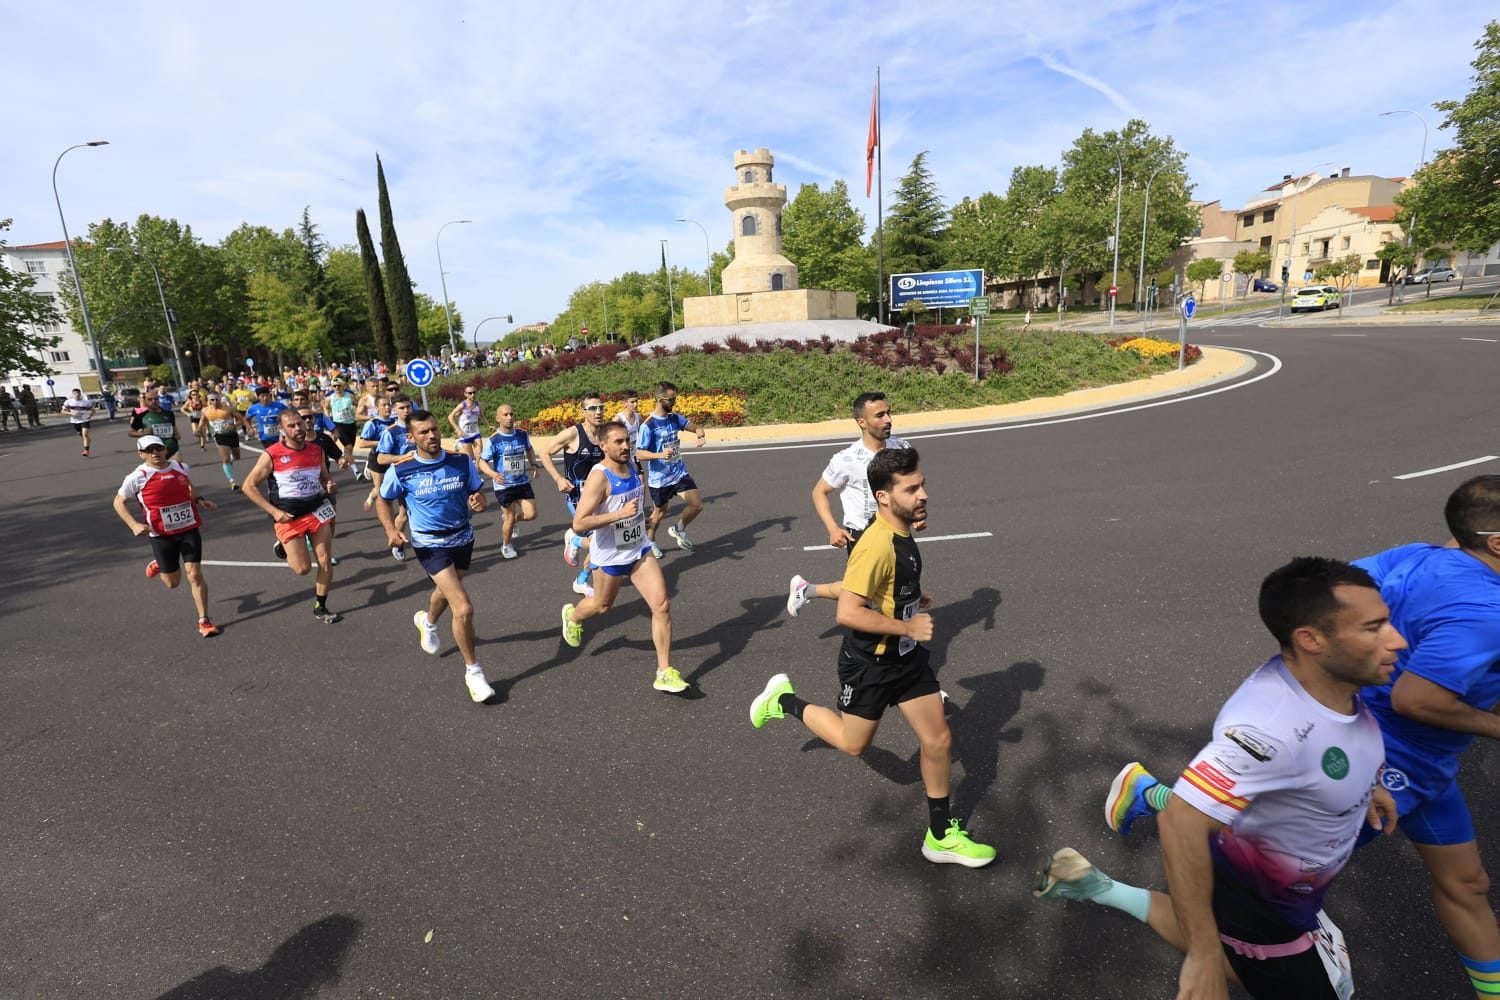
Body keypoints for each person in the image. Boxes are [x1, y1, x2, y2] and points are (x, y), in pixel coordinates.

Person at [1038, 556, 1403, 1000]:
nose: (1397, 640)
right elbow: (1182, 822)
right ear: (1311, 640)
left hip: (1291, 886)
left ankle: (1097, 885)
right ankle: (1112, 886)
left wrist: (1364, 786)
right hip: (1265, 909)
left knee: (1259, 970)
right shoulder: (1271, 730)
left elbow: (1330, 745)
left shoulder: (1329, 681)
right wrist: (1204, 957)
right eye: (1374, 628)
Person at [748, 446, 995, 868]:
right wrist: (908, 627)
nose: (923, 494)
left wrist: (913, 595)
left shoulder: (902, 531)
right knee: (853, 743)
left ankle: (940, 836)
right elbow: (848, 612)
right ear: (884, 496)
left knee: (938, 739)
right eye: (911, 489)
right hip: (870, 665)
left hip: (906, 660)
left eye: (922, 485)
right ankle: (784, 699)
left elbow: (879, 584)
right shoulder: (875, 545)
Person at [560, 421, 688, 695]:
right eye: (618, 442)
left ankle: (664, 672)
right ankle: (573, 617)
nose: (625, 446)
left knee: (662, 605)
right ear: (603, 446)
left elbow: (632, 505)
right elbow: (580, 523)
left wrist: (642, 518)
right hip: (610, 556)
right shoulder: (600, 477)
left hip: (638, 549)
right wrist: (619, 515)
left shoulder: (631, 466)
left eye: (627, 441)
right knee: (601, 606)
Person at [376, 409, 495, 702]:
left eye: (434, 429)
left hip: (463, 537)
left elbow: (478, 494)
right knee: (463, 607)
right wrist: (391, 529)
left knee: (445, 591)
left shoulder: (460, 461)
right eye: (424, 432)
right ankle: (474, 672)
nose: (432, 435)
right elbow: (383, 499)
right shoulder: (402, 470)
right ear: (411, 437)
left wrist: (479, 502)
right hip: (429, 543)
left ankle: (427, 622)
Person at [786, 391, 912, 617]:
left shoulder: (902, 447)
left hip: (896, 531)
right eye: (880, 415)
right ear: (862, 422)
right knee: (867, 595)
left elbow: (909, 485)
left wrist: (916, 514)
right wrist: (833, 528)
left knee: (887, 588)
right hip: (864, 535)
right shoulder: (847, 459)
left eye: (889, 413)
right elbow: (819, 492)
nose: (888, 419)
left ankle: (806, 590)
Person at [112, 434, 222, 637]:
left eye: (158, 448)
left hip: (188, 528)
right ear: (141, 454)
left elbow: (188, 485)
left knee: (194, 574)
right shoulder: (137, 476)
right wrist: (134, 525)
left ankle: (204, 620)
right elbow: (118, 502)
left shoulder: (180, 467)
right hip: (161, 534)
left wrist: (200, 500)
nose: (155, 453)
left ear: (165, 449)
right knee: (172, 583)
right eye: (149, 450)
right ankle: (160, 564)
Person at [241, 410, 342, 624]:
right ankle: (283, 545)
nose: (298, 428)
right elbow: (248, 486)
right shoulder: (272, 454)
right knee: (302, 569)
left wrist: (329, 485)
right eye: (292, 426)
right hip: (288, 517)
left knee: (325, 560)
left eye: (300, 424)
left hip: (316, 511)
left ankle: (321, 606)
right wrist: (274, 512)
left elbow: (325, 478)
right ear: (282, 429)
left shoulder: (316, 450)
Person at [540, 391, 607, 596]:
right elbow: (544, 452)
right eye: (592, 408)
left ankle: (581, 578)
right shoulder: (572, 434)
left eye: (600, 407)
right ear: (583, 412)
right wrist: (558, 479)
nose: (598, 412)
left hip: (600, 494)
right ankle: (575, 541)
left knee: (603, 540)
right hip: (577, 494)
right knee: (598, 541)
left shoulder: (605, 434)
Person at [636, 381, 706, 558]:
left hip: (679, 473)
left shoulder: (675, 418)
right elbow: (639, 453)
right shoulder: (648, 425)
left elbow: (696, 427)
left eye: (675, 398)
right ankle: (650, 540)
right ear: (660, 400)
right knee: (660, 512)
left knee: (697, 505)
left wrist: (700, 435)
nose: (675, 402)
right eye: (671, 399)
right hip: (660, 478)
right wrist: (660, 455)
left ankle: (678, 529)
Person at [475, 403, 541, 560]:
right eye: (505, 415)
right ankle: (506, 545)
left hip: (522, 482)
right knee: (509, 518)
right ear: (498, 418)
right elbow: (482, 462)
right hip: (504, 486)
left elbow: (529, 449)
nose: (509, 417)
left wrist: (533, 464)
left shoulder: (522, 434)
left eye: (511, 414)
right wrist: (492, 473)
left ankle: (515, 520)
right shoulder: (494, 440)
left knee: (532, 514)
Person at [374, 394, 417, 561]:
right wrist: (403, 457)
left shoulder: (418, 426)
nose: (406, 410)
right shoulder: (391, 432)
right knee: (404, 513)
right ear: (394, 410)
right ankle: (397, 542)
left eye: (408, 407)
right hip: (402, 477)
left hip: (421, 474)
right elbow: (380, 458)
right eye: (401, 408)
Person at [200, 391, 249, 490]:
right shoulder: (205, 411)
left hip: (232, 435)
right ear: (208, 400)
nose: (215, 402)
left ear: (220, 399)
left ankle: (230, 460)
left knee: (237, 457)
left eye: (217, 399)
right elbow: (202, 420)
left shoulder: (229, 409)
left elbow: (241, 419)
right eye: (212, 400)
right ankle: (232, 482)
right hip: (219, 436)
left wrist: (234, 425)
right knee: (225, 459)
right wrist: (198, 429)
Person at [322, 377, 360, 475]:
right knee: (348, 446)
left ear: (343, 386)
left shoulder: (350, 396)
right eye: (334, 386)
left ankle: (344, 456)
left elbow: (357, 405)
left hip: (351, 424)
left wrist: (355, 409)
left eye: (338, 385)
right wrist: (328, 419)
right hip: (339, 424)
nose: (337, 388)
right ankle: (356, 471)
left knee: (350, 449)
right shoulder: (330, 398)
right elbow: (325, 408)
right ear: (332, 387)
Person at [128, 389, 181, 459]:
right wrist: (142, 433)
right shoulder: (140, 416)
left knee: (178, 464)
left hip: (172, 448)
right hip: (154, 451)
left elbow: (173, 427)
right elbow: (130, 433)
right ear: (145, 401)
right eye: (150, 399)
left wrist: (177, 434)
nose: (153, 401)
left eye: (156, 399)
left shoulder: (169, 414)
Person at [246, 385, 289, 450]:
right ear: (258, 397)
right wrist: (250, 428)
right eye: (262, 396)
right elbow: (246, 419)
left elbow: (289, 415)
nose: (265, 398)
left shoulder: (279, 405)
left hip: (280, 434)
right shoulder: (254, 408)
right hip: (265, 436)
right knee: (272, 451)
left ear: (269, 395)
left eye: (267, 395)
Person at [447, 386, 484, 462]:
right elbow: (450, 416)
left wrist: (489, 426)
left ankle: (477, 468)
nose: (473, 395)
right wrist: (457, 430)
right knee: (471, 457)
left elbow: (482, 416)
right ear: (465, 394)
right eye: (470, 393)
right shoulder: (462, 405)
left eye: (474, 392)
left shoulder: (478, 404)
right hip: (465, 435)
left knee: (479, 455)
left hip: (475, 433)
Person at [61, 388, 95, 455]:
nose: (77, 395)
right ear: (72, 394)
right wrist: (71, 413)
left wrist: (90, 416)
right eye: (75, 393)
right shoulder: (68, 402)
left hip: (84, 420)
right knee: (82, 435)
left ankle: (86, 451)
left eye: (78, 393)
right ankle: (87, 439)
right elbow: (62, 411)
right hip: (75, 421)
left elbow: (93, 410)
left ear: (80, 394)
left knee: (85, 435)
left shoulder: (86, 402)